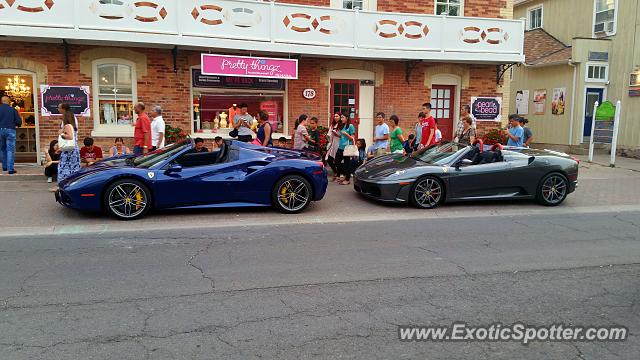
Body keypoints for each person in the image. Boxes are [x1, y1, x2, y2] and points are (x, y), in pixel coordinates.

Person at [55, 105, 80, 190]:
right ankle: (72, 185)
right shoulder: (73, 126)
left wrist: (61, 134)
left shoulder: (67, 126)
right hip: (74, 148)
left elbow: (70, 137)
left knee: (63, 167)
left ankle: (62, 186)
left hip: (69, 150)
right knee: (73, 167)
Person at [0, 95, 22, 174]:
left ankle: (4, 167)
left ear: (1, 101)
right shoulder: (12, 110)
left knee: (2, 149)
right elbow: (19, 122)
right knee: (10, 150)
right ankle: (10, 169)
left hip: (0, 130)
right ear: (8, 101)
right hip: (10, 130)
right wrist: (17, 125)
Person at [335, 114, 356, 185]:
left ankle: (347, 179)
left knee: (347, 163)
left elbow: (352, 138)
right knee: (336, 161)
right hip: (340, 147)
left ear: (347, 118)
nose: (341, 119)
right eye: (341, 117)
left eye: (342, 117)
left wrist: (346, 134)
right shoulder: (342, 125)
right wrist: (337, 134)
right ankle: (346, 174)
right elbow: (342, 136)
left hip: (347, 148)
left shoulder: (351, 126)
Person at [326, 113, 342, 180]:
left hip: (339, 144)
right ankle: (336, 172)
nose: (335, 117)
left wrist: (336, 134)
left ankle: (339, 174)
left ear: (340, 117)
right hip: (332, 144)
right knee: (329, 159)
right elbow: (329, 133)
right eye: (335, 116)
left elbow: (342, 135)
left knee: (337, 160)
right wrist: (328, 135)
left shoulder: (342, 125)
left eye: (337, 116)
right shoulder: (333, 125)